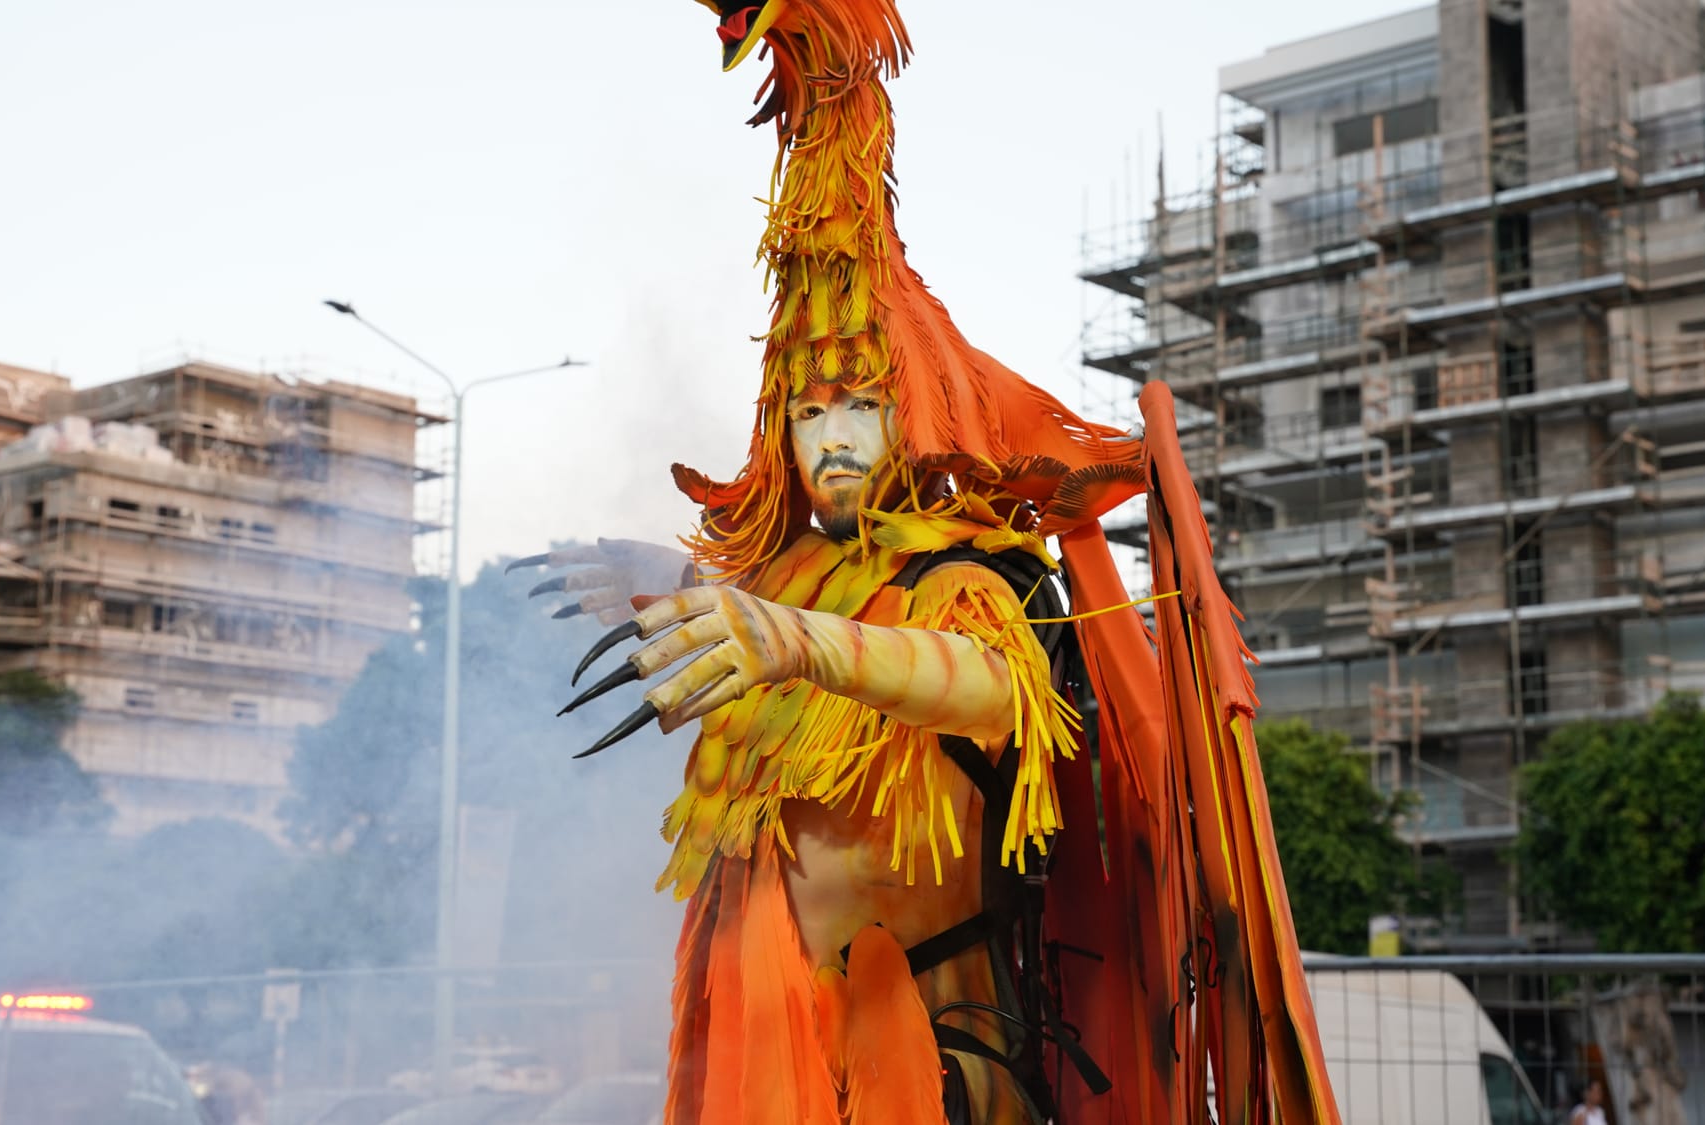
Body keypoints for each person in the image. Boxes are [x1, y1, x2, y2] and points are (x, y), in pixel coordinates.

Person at [522, 0, 1340, 1122]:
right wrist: (697, 591)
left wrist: (792, 641)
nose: (837, 439)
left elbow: (1001, 689)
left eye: (862, 405)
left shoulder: (967, 574)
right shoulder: (786, 578)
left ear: (909, 414)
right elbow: (771, 650)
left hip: (938, 1064)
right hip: (775, 1054)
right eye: (810, 415)